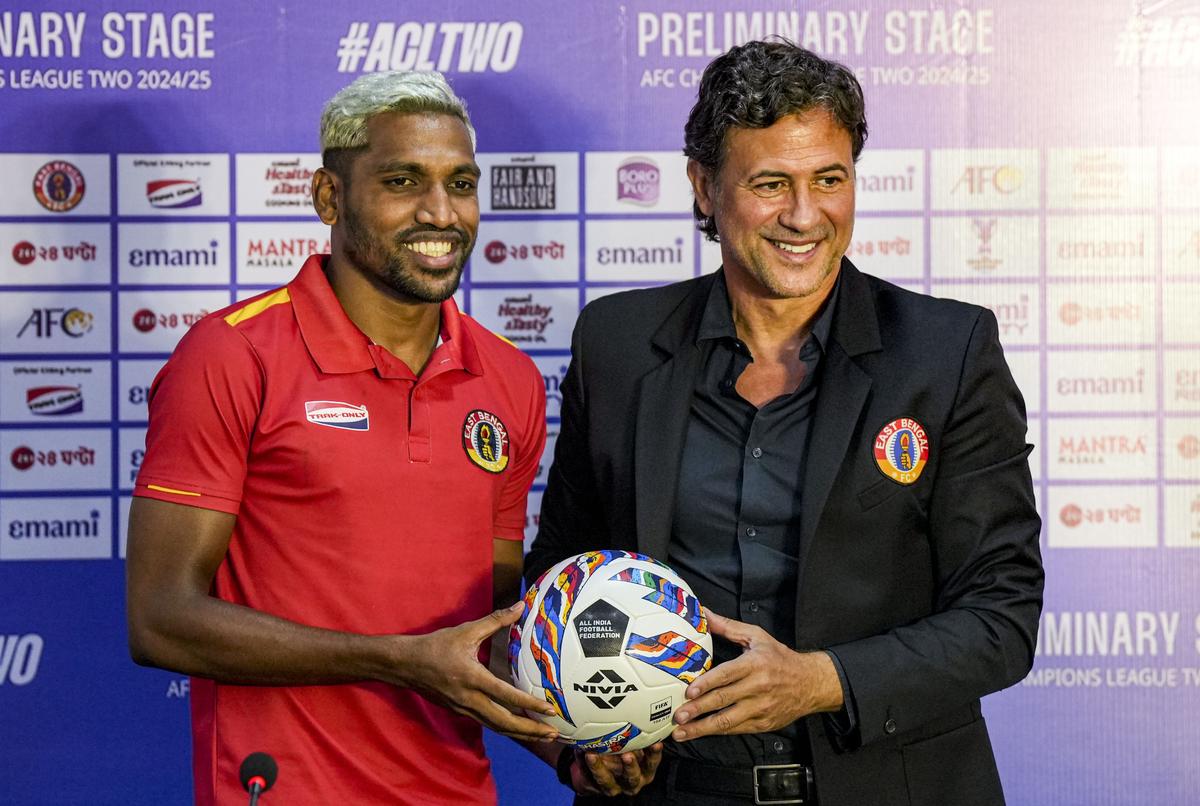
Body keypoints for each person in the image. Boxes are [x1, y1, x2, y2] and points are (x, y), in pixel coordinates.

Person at [526, 40, 1044, 806]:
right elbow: (559, 574)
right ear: (704, 187)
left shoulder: (946, 351)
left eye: (829, 180)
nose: (805, 216)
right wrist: (579, 735)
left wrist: (823, 681)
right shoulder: (619, 344)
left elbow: (1002, 616)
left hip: (893, 787)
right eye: (771, 183)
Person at [126, 71, 568, 805]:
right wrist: (398, 661)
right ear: (330, 197)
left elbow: (478, 640)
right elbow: (160, 618)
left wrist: (565, 744)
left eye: (461, 184)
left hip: (457, 791)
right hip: (281, 789)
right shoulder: (232, 354)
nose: (441, 212)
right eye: (403, 180)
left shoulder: (511, 380)